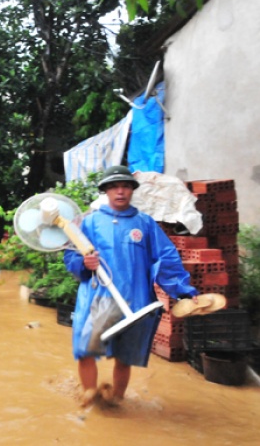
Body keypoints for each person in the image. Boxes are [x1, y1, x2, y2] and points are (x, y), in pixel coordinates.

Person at [63, 165, 200, 407]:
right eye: (114, 186)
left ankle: (116, 400)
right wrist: (84, 263)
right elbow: (71, 257)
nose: (120, 191)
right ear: (105, 190)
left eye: (125, 186)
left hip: (135, 299)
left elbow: (166, 258)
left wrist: (184, 292)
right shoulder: (89, 222)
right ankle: (90, 394)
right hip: (98, 297)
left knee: (124, 357)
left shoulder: (145, 224)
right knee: (86, 349)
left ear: (132, 190)